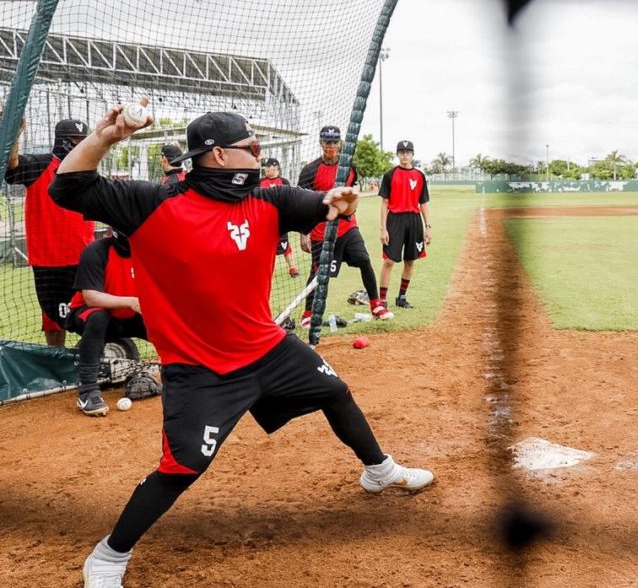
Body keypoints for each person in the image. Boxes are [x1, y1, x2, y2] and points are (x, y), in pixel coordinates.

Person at [49, 105, 433, 587]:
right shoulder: (154, 202)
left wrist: (341, 200)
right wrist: (104, 138)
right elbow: (66, 188)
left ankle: (379, 470)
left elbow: (321, 204)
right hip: (200, 367)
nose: (258, 154)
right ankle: (109, 556)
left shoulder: (269, 201)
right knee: (183, 466)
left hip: (266, 346)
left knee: (335, 392)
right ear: (218, 156)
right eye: (250, 147)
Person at [4, 117, 95, 348]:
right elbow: (12, 163)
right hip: (49, 262)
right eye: (75, 141)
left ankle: (95, 361)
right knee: (53, 321)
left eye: (82, 140)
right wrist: (14, 131)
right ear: (62, 141)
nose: (80, 145)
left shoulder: (87, 169)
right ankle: (56, 364)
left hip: (84, 259)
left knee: (94, 316)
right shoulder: (39, 164)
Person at [297, 125, 391, 324]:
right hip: (320, 232)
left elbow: (351, 193)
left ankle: (376, 304)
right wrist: (303, 233)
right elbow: (301, 205)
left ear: (340, 143)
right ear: (321, 143)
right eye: (327, 142)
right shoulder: (309, 171)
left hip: (347, 227)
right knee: (318, 275)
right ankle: (308, 314)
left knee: (364, 260)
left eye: (334, 142)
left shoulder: (350, 167)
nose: (331, 146)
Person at [65, 231, 147, 417]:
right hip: (90, 313)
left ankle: (182, 375)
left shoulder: (149, 252)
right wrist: (131, 301)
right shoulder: (96, 251)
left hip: (131, 314)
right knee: (98, 317)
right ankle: (87, 391)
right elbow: (91, 297)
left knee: (166, 320)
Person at [378, 140, 431, 309]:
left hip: (414, 220)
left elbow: (423, 203)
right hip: (395, 219)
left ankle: (401, 297)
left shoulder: (420, 176)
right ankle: (382, 301)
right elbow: (384, 203)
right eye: (401, 152)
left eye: (408, 152)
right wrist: (383, 228)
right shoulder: (389, 175)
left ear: (412, 154)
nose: (405, 155)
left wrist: (428, 227)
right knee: (389, 261)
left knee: (410, 261)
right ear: (397, 154)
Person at [260, 157, 300, 278]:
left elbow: (290, 199)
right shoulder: (260, 182)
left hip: (280, 219)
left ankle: (293, 268)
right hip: (265, 219)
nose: (266, 169)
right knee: (265, 246)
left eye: (268, 167)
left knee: (284, 244)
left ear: (276, 167)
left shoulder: (284, 181)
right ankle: (266, 270)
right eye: (265, 167)